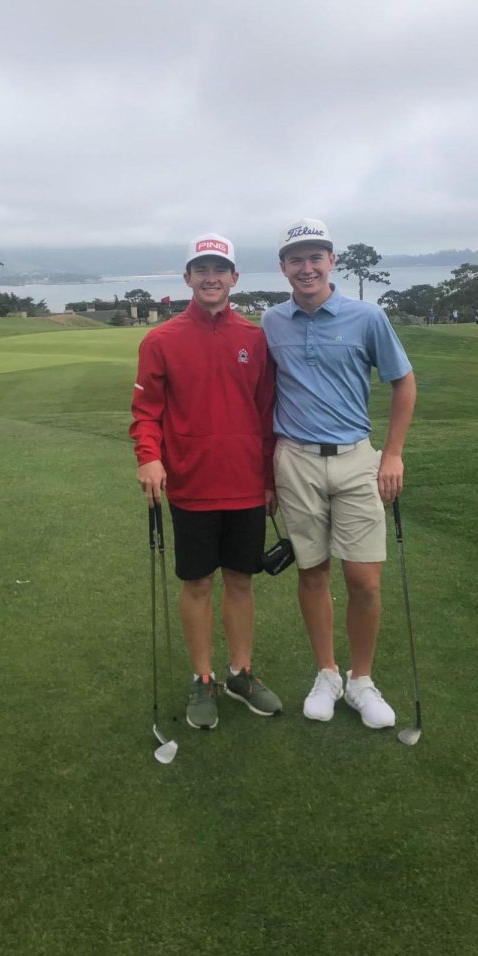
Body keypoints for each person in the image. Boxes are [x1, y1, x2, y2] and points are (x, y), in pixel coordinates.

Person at [261, 218, 417, 729]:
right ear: (283, 267)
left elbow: (403, 382)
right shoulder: (271, 322)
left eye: (315, 257)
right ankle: (326, 673)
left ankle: (361, 680)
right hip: (296, 459)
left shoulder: (367, 316)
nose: (306, 267)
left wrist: (391, 454)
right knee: (312, 571)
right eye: (295, 259)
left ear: (332, 262)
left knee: (364, 579)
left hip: (355, 458)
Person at [130, 233, 282, 731]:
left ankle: (241, 673)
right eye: (202, 269)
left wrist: (268, 478)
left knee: (241, 580)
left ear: (234, 278)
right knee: (197, 582)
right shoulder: (161, 340)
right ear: (188, 278)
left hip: (244, 484)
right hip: (192, 485)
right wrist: (149, 458)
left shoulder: (256, 339)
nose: (211, 277)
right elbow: (146, 412)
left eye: (220, 269)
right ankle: (203, 678)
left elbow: (265, 413)